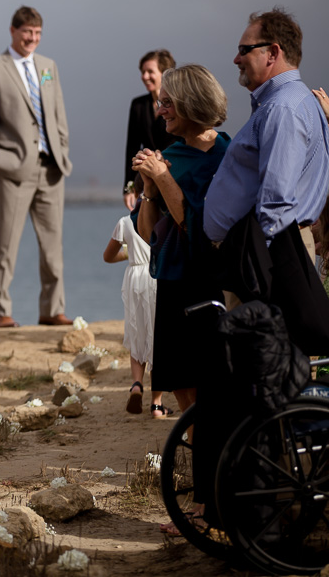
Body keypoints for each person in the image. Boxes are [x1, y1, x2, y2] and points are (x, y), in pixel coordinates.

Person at [132, 65, 230, 535]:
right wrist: (150, 188)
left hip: (208, 284)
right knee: (188, 400)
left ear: (191, 103)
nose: (160, 108)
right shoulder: (167, 154)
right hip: (170, 283)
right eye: (159, 101)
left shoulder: (226, 154)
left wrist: (166, 180)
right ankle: (204, 499)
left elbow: (200, 226)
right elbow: (149, 233)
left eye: (168, 101)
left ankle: (212, 504)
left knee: (212, 398)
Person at [0, 5, 73, 328]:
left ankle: (52, 310)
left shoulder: (49, 66)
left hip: (52, 169)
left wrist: (63, 150)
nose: (32, 39)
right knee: (4, 246)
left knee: (53, 247)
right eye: (27, 32)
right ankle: (1, 312)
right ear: (13, 31)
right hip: (11, 172)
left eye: (38, 34)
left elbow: (58, 115)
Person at [204, 8, 329, 260]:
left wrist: (259, 263)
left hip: (267, 256)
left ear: (272, 53)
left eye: (243, 50)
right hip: (269, 251)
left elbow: (277, 201)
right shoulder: (287, 103)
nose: (236, 60)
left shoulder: (282, 108)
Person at [101, 175, 166, 416]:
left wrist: (128, 254)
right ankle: (157, 403)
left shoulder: (125, 222)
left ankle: (136, 385)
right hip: (158, 275)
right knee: (157, 335)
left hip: (134, 278)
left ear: (134, 191)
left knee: (137, 330)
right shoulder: (164, 216)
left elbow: (108, 256)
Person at [123, 50, 179, 210]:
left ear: (165, 73)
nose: (144, 76)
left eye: (150, 72)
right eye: (142, 72)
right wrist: (129, 188)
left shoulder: (179, 104)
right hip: (146, 180)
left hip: (174, 176)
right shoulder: (138, 105)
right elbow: (131, 148)